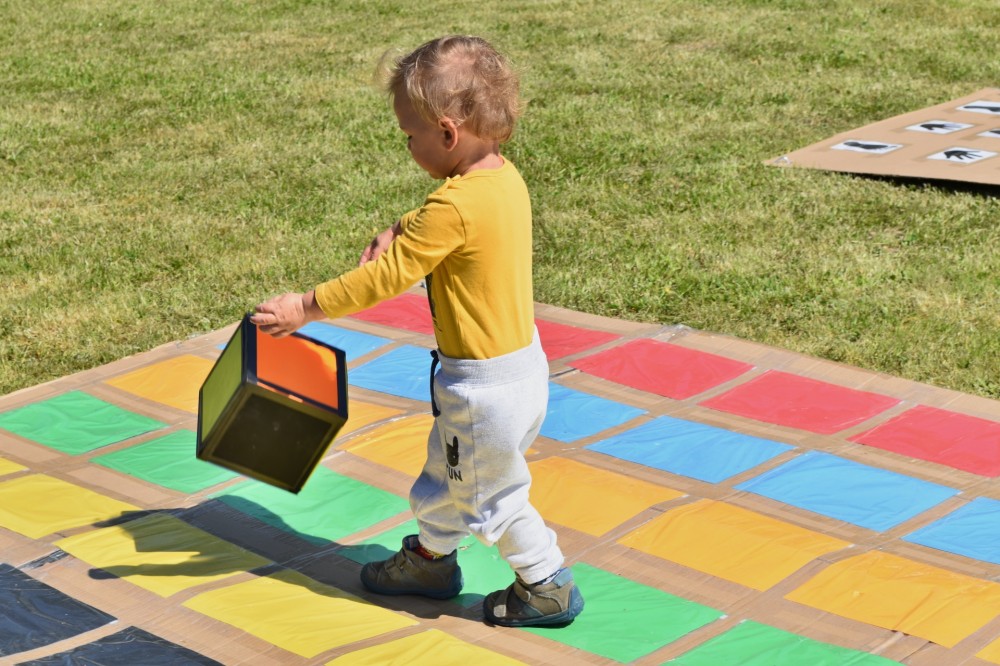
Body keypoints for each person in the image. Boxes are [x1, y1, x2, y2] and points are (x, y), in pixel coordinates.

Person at [251, 34, 583, 627]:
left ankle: (546, 582)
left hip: (483, 392)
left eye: (409, 134)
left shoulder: (450, 208)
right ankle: (431, 562)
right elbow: (441, 222)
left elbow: (383, 279)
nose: (407, 143)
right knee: (446, 474)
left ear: (447, 134)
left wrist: (304, 306)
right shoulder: (503, 180)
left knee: (489, 495)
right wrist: (401, 228)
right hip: (519, 371)